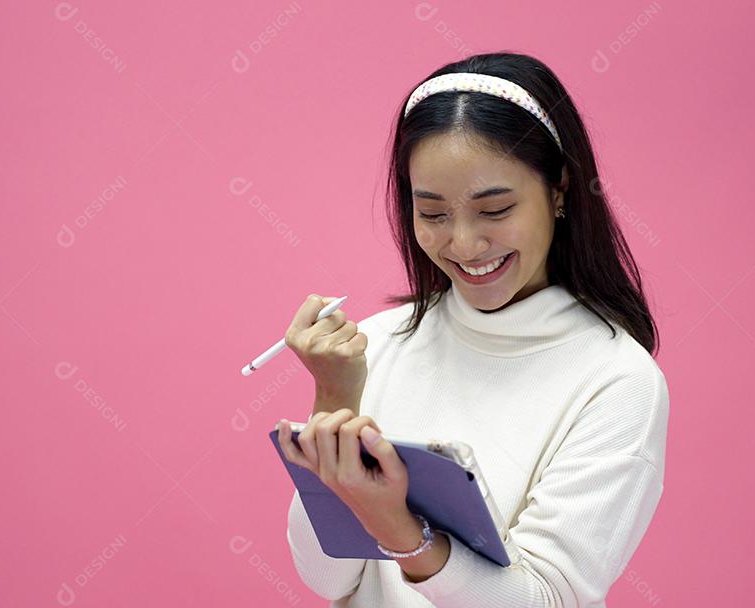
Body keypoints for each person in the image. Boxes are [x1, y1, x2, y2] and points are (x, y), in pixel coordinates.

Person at [276, 51, 669, 607]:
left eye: (495, 209)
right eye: (432, 214)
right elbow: (328, 579)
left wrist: (401, 533)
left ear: (560, 191)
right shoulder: (378, 345)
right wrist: (335, 399)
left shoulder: (617, 382)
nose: (462, 244)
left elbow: (546, 600)